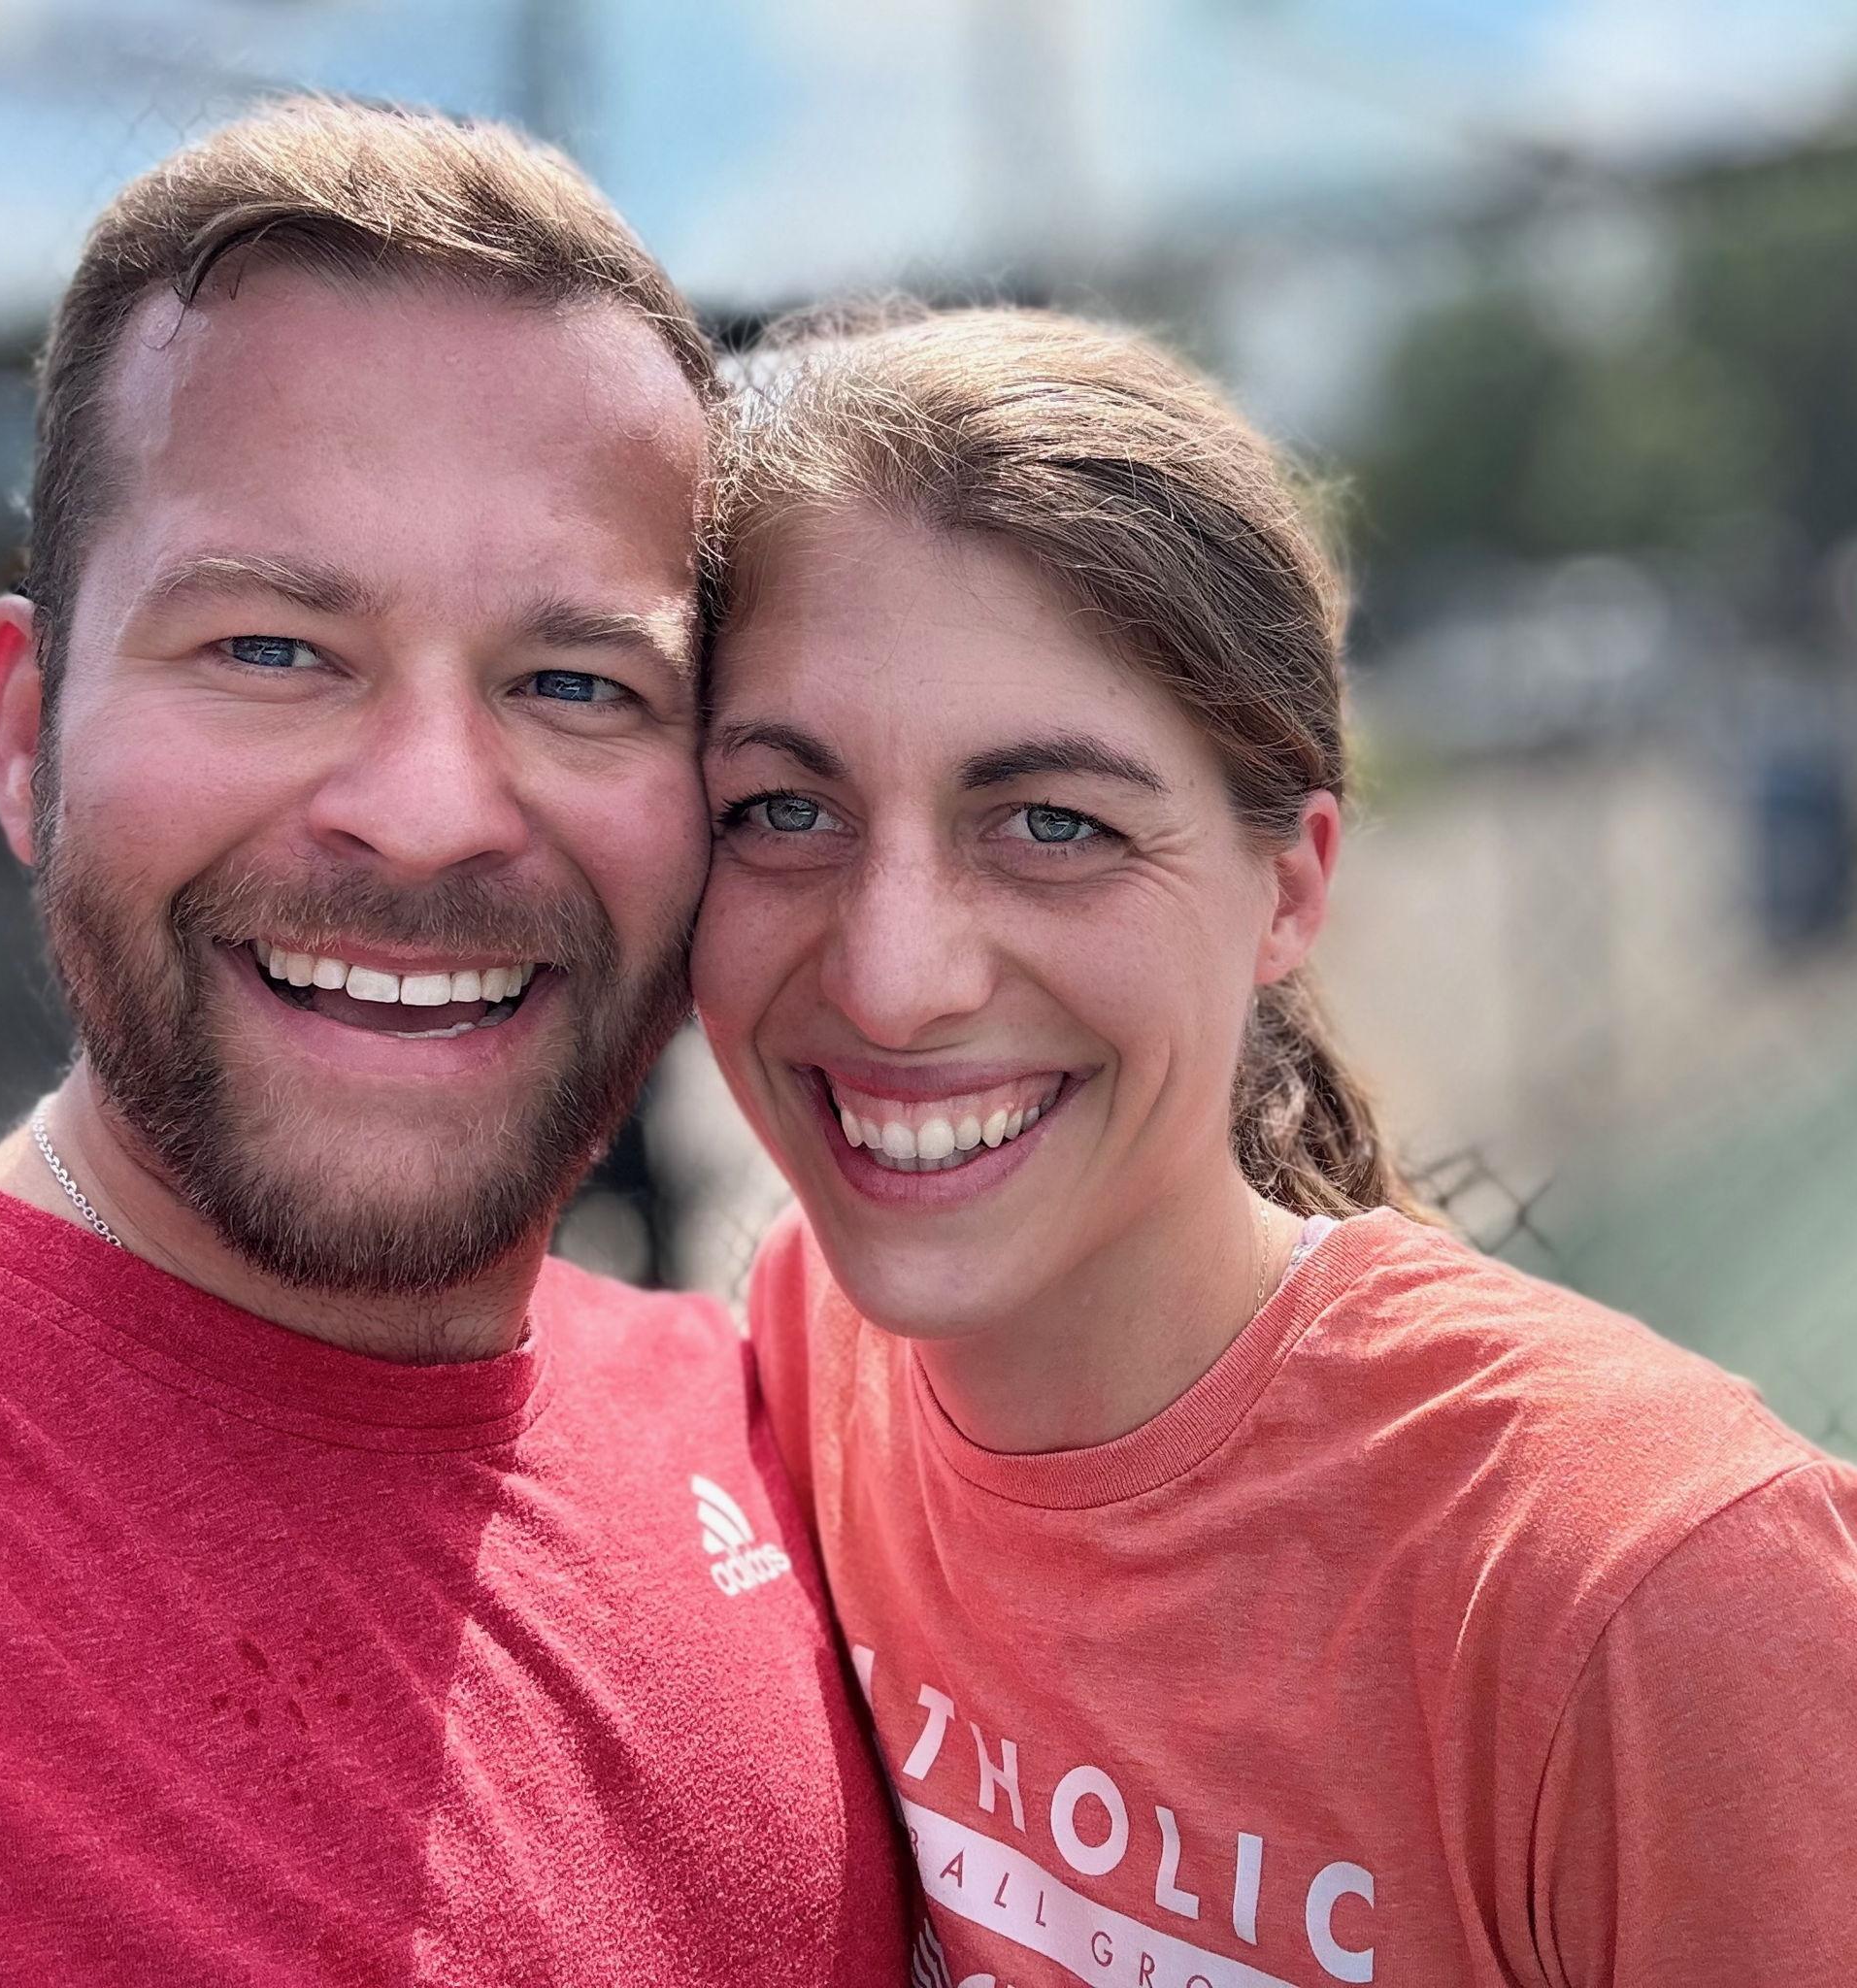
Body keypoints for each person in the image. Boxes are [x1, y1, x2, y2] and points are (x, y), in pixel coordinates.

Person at [694, 304, 1857, 1987]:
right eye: (783, 811)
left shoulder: (1657, 1592)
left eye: (1053, 825)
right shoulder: (808, 1350)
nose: (892, 974)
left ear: (1292, 885)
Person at [0, 101, 907, 1984]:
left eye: (574, 682)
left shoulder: (805, 1448)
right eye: (271, 648)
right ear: (25, 737)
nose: (429, 812)